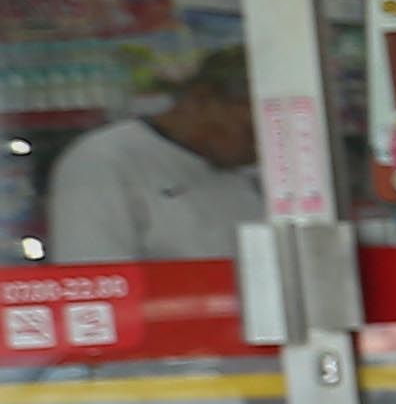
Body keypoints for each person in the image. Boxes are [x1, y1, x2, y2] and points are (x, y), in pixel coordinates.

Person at [49, 45, 260, 263]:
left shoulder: (250, 172)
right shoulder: (103, 160)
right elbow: (96, 277)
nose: (258, 151)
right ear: (201, 100)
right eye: (250, 132)